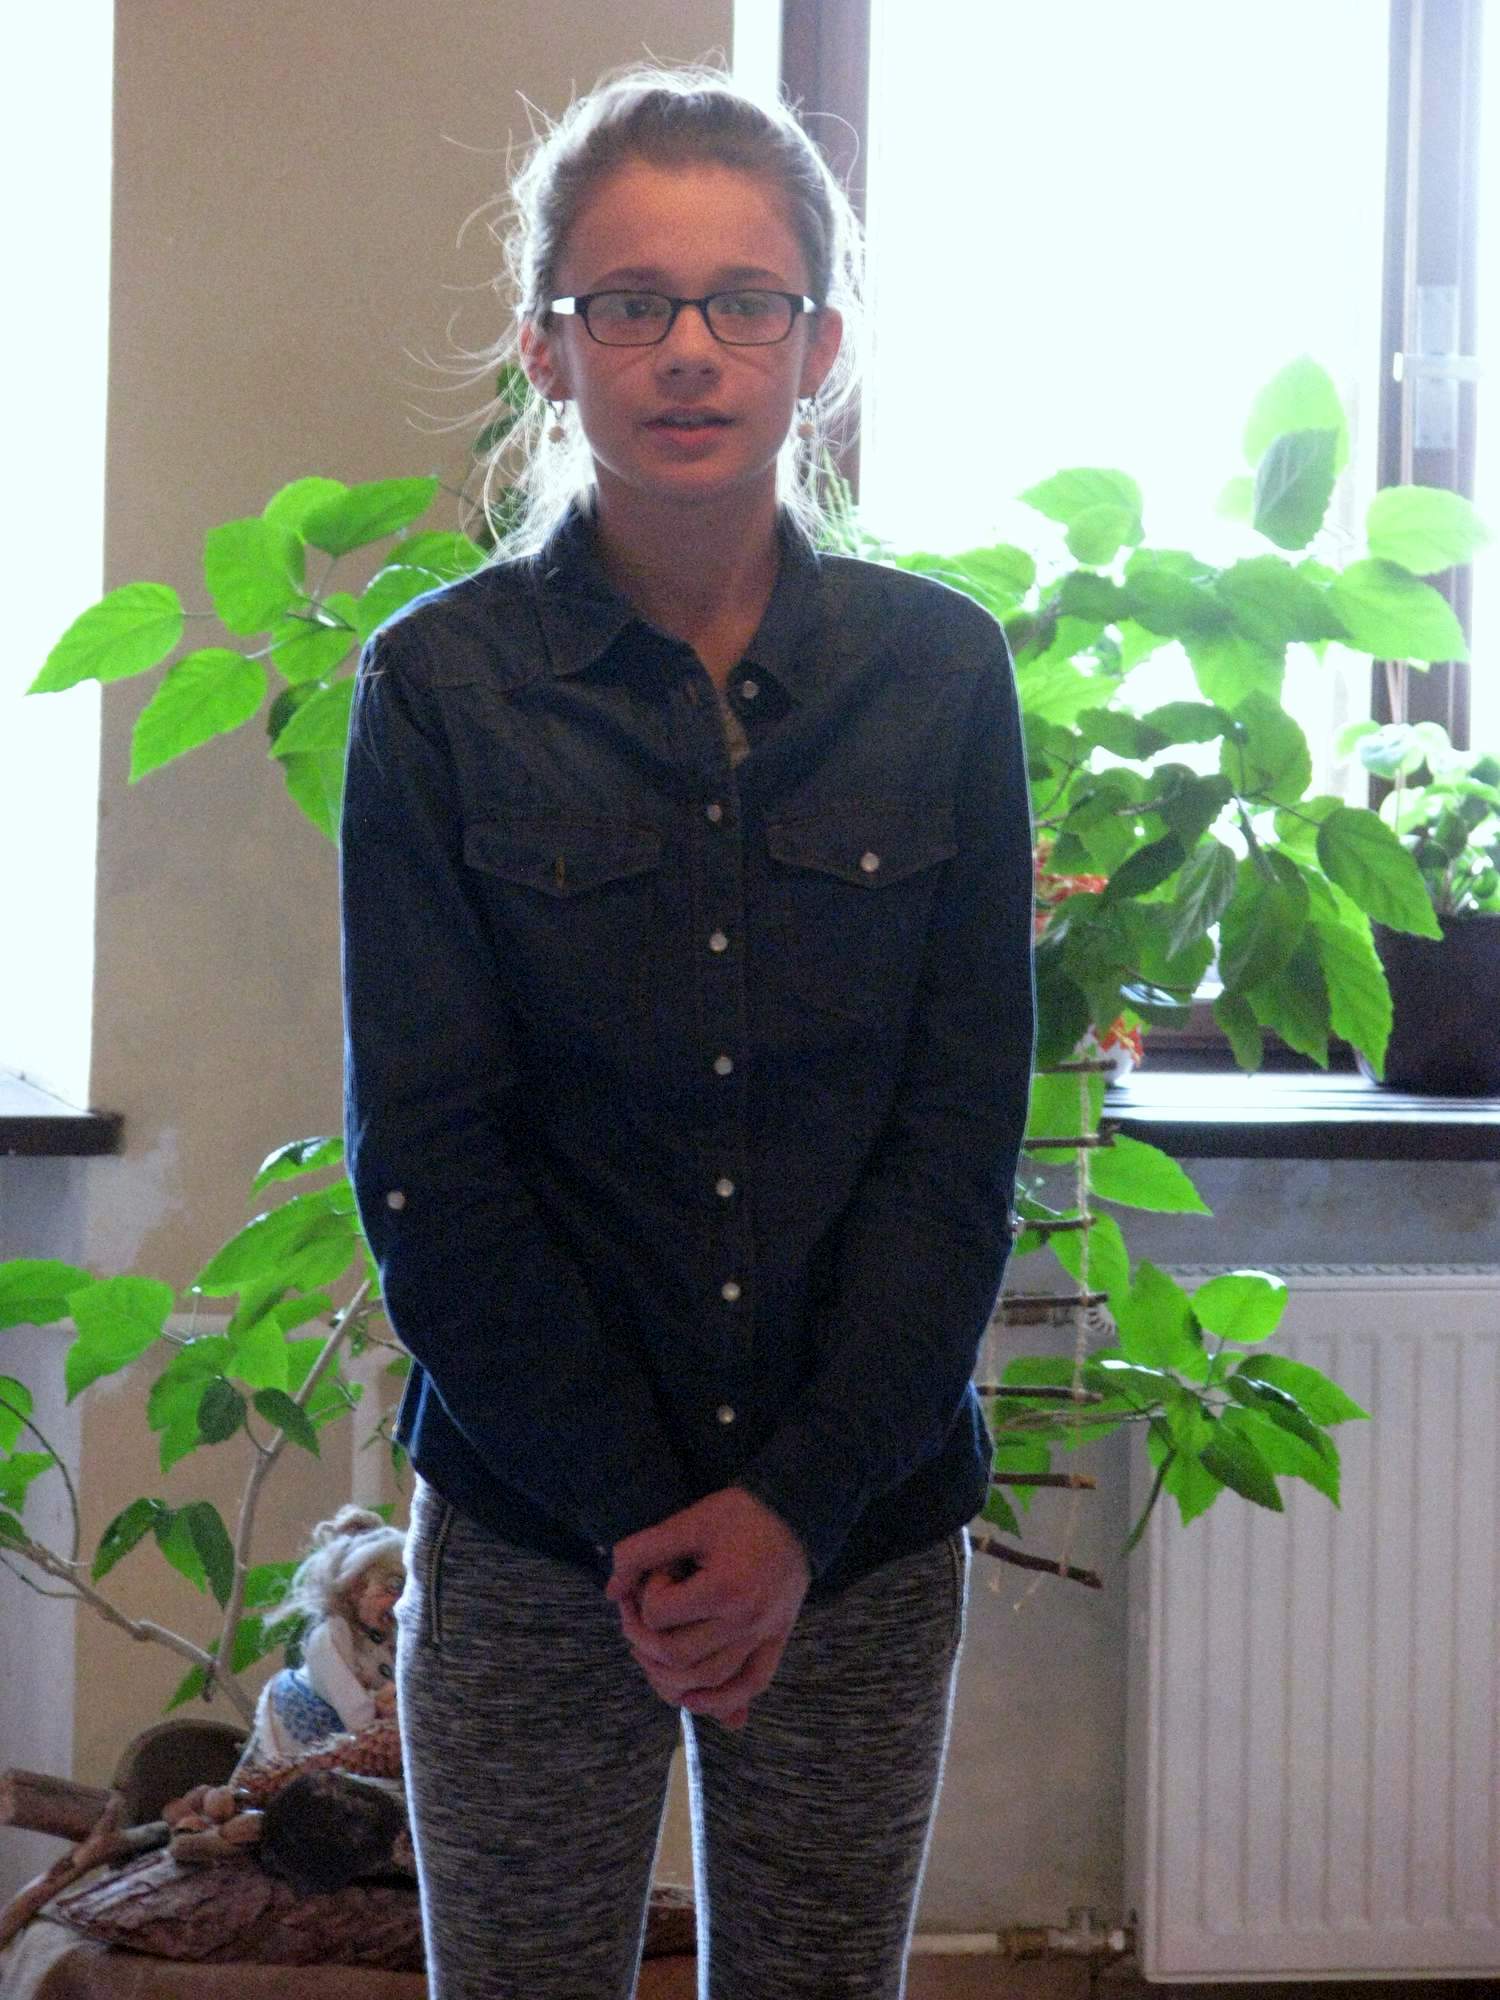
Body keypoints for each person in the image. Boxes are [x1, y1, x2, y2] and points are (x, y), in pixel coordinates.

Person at [340, 63, 1034, 2000]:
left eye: (746, 300)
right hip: (534, 1520)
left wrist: (791, 1513)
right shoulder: (439, 687)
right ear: (548, 346)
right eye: (630, 301)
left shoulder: (939, 673)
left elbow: (955, 1147)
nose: (690, 349)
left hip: (860, 1524)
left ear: (820, 346)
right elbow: (431, 1160)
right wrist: (649, 1512)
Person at [243, 1504, 405, 1764]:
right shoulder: (330, 1636)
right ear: (356, 1588)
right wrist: (383, 1712)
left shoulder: (387, 1639)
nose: (401, 1601)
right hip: (306, 1737)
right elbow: (358, 1718)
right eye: (393, 1586)